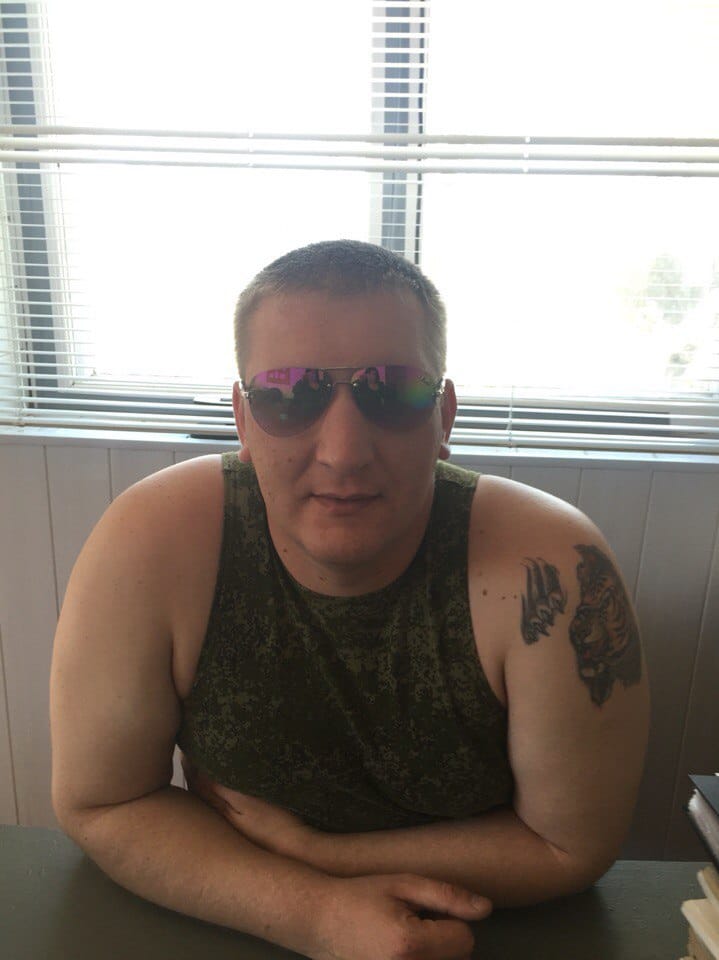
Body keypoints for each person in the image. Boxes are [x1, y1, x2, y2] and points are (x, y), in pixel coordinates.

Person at [50, 239, 649, 960]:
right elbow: (102, 802)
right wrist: (313, 913)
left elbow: (567, 846)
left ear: (443, 417)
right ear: (242, 418)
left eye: (392, 392)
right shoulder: (152, 543)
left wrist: (319, 854)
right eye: (288, 395)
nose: (342, 451)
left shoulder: (551, 573)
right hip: (226, 908)